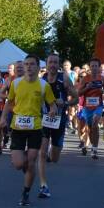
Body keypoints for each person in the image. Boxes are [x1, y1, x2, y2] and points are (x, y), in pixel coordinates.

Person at [0, 54, 57, 205]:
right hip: (17, 127)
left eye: (32, 64)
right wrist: (3, 118)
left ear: (38, 68)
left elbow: (52, 104)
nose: (29, 67)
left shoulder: (44, 86)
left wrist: (52, 110)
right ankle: (25, 164)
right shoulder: (16, 83)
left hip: (35, 128)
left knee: (31, 162)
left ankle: (25, 193)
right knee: (19, 164)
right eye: (26, 64)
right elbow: (9, 102)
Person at [37, 53, 75, 198]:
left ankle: (53, 151)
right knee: (41, 152)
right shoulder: (41, 81)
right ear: (46, 64)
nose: (52, 65)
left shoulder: (64, 79)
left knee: (54, 158)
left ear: (58, 65)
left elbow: (76, 98)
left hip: (59, 119)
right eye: (50, 62)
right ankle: (43, 185)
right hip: (44, 119)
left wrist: (65, 103)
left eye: (55, 62)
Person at [77, 57, 104, 160]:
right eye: (92, 66)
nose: (94, 67)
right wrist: (87, 87)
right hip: (87, 107)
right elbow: (79, 93)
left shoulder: (102, 78)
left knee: (95, 123)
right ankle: (93, 146)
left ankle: (95, 149)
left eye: (96, 66)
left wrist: (103, 91)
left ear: (99, 67)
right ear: (90, 67)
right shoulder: (85, 78)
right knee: (90, 128)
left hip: (98, 106)